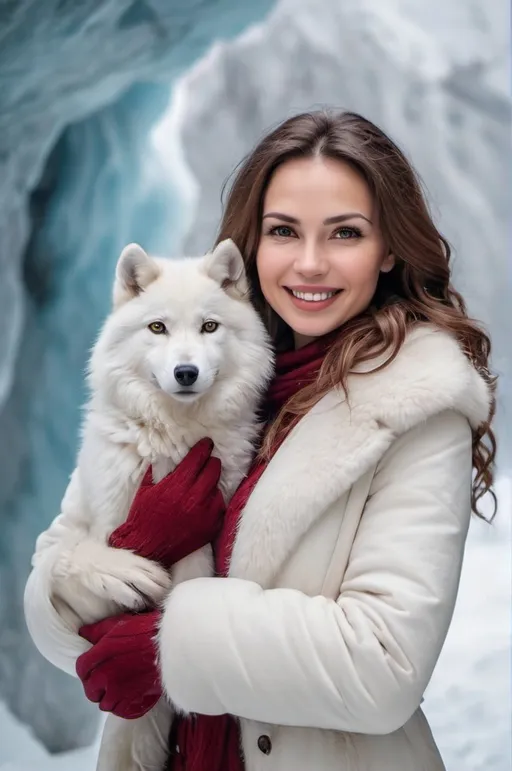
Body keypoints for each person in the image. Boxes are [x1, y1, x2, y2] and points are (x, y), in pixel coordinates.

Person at [25, 111, 496, 771]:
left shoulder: (416, 406)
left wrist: (166, 645)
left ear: (388, 248)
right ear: (253, 243)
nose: (310, 262)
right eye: (283, 231)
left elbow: (384, 664)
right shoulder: (191, 383)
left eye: (345, 233)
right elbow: (50, 588)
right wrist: (136, 552)